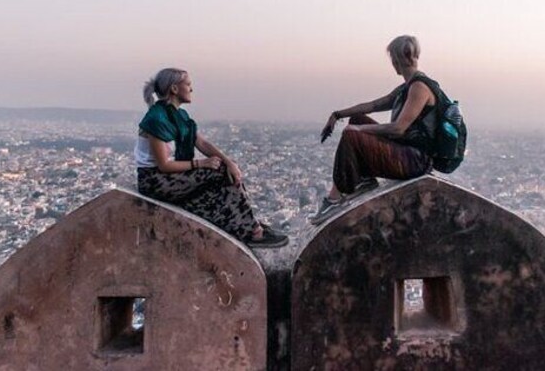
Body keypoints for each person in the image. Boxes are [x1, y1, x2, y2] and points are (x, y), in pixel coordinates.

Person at [135, 67, 288, 248]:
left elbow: (202, 143)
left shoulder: (179, 116)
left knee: (225, 171)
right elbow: (163, 165)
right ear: (174, 89)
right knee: (220, 172)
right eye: (188, 84)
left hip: (168, 177)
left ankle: (247, 223)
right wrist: (201, 164)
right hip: (155, 181)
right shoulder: (156, 118)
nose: (191, 89)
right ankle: (252, 232)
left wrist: (229, 162)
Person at [310, 35, 444, 224]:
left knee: (352, 133)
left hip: (415, 161)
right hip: (408, 152)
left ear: (397, 59)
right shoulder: (407, 87)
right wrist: (338, 114)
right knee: (356, 121)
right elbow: (373, 105)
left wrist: (358, 130)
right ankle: (364, 179)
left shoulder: (419, 88)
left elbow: (398, 129)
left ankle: (334, 198)